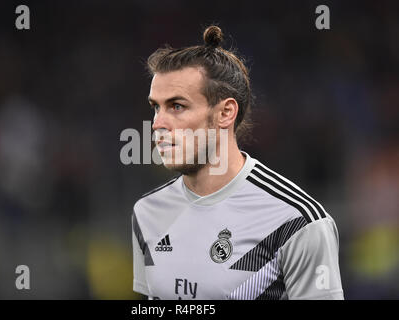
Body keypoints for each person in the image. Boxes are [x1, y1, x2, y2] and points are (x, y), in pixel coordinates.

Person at [131, 25, 344, 300]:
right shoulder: (147, 212)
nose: (158, 124)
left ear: (225, 113)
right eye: (155, 107)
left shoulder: (299, 221)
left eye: (177, 106)